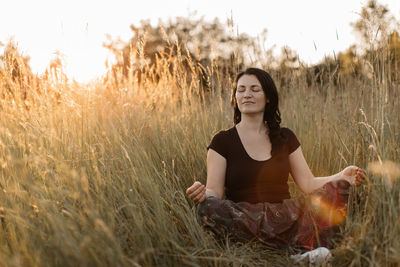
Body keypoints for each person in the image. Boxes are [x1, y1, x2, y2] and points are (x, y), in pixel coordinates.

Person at [186, 68, 366, 253]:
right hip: (246, 217)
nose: (247, 94)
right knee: (208, 208)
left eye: (255, 89)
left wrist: (342, 176)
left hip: (287, 215)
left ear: (268, 97)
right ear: (235, 98)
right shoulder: (222, 140)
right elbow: (214, 192)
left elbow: (309, 183)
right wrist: (201, 194)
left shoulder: (285, 137)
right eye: (241, 90)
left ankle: (295, 249)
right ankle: (297, 250)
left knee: (344, 191)